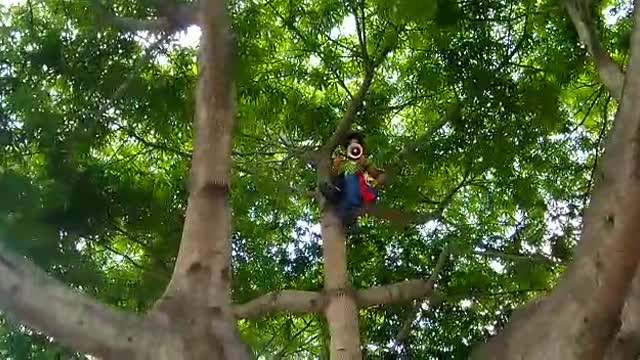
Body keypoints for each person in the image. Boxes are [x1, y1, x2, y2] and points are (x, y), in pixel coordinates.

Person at [320, 131, 386, 228]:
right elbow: (334, 178)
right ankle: (339, 203)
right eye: (350, 145)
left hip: (363, 193)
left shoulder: (363, 161)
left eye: (356, 144)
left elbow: (376, 175)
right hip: (344, 192)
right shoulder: (343, 162)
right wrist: (336, 166)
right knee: (339, 181)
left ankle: (349, 211)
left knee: (351, 175)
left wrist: (366, 164)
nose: (353, 147)